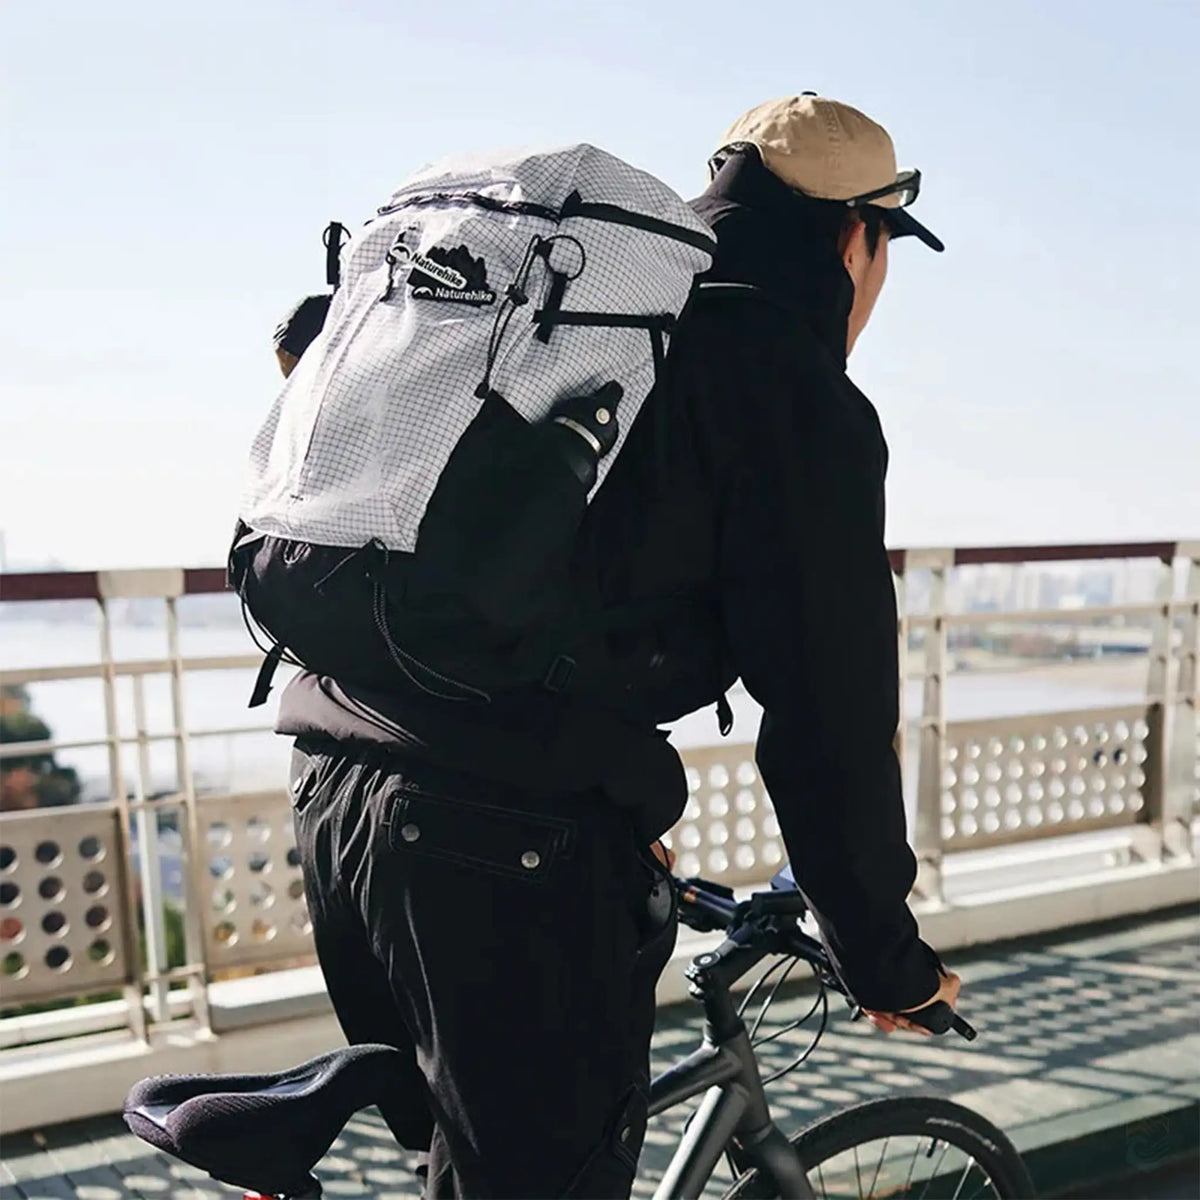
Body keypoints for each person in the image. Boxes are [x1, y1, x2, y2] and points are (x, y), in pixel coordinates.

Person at [274, 94, 961, 1198]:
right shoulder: (787, 384)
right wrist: (884, 958)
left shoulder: (600, 322)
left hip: (337, 785)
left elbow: (554, 603)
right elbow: (830, 713)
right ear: (856, 239)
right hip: (502, 843)